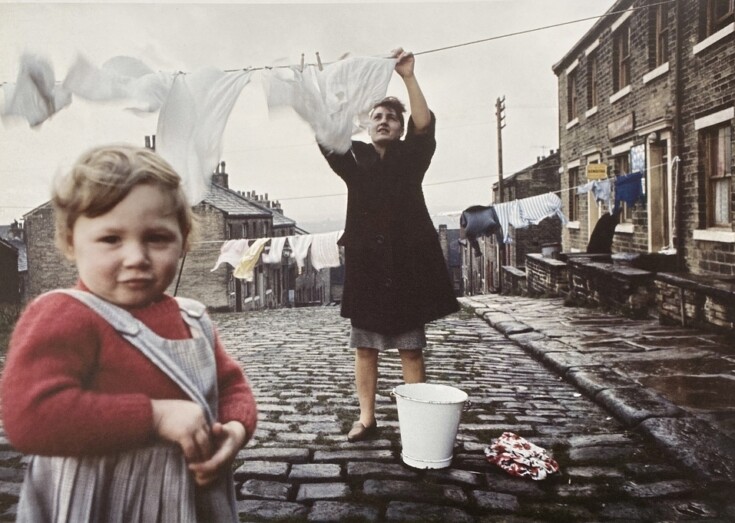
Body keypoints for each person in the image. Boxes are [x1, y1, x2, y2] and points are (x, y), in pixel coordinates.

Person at [0, 144, 257, 521]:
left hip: (188, 502)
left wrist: (235, 429)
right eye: (110, 239)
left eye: (157, 238)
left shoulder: (193, 318)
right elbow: (30, 418)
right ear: (71, 242)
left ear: (184, 239)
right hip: (98, 503)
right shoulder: (64, 315)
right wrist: (153, 417)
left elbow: (231, 385)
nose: (136, 256)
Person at [319, 48, 460, 442]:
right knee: (365, 349)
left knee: (411, 350)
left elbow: (425, 125)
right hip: (367, 267)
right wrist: (341, 83)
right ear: (368, 126)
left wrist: (408, 77)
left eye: (391, 118)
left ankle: (416, 424)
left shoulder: (412, 157)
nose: (383, 121)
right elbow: (326, 135)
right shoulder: (354, 158)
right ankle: (367, 418)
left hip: (408, 268)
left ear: (399, 128)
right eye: (377, 117)